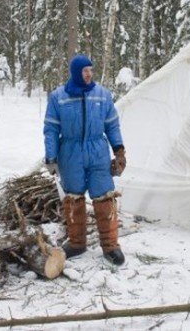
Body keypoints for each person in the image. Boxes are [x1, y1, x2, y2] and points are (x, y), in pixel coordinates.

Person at [43, 54, 127, 265]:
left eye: (91, 70)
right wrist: (51, 156)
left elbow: (112, 125)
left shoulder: (102, 95)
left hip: (97, 150)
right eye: (84, 70)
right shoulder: (58, 97)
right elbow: (51, 129)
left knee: (105, 197)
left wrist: (119, 151)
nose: (89, 74)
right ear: (75, 72)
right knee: (73, 198)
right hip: (70, 153)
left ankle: (110, 245)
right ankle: (76, 242)